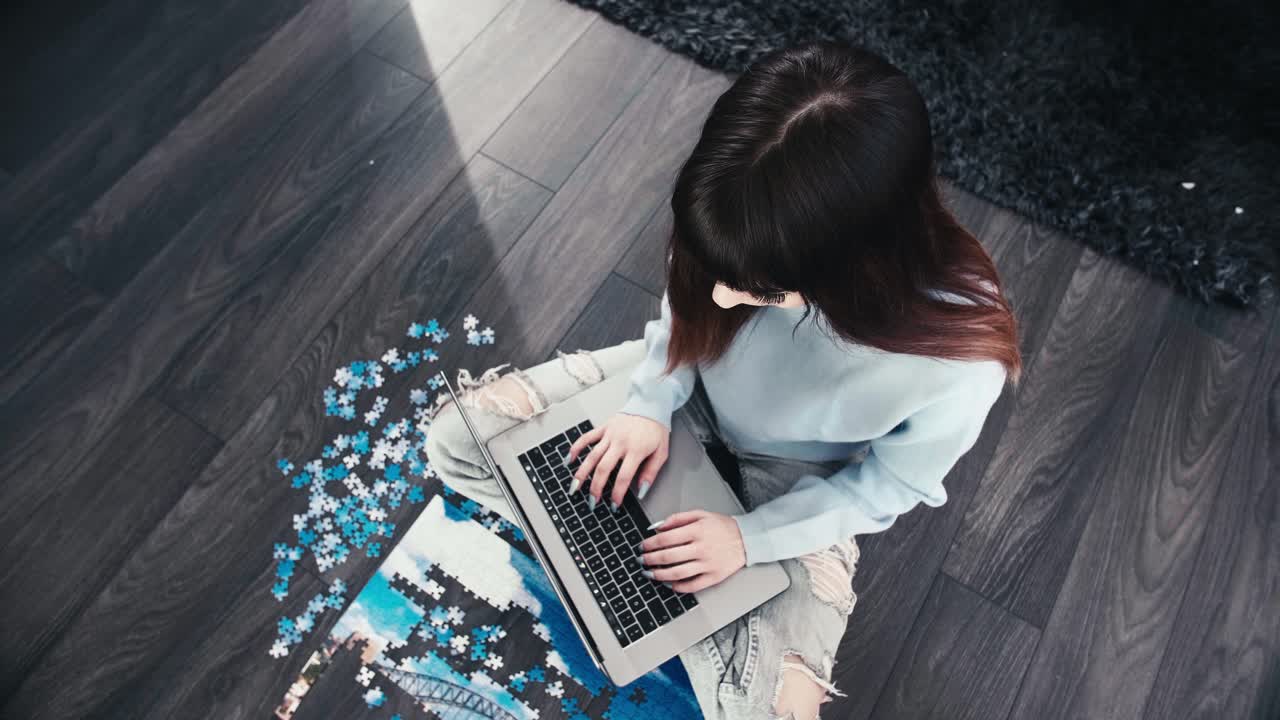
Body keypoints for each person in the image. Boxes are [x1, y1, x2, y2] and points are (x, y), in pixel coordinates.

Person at [426, 39, 1022, 720]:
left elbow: (888, 486)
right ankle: (640, 587)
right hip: (684, 392)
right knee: (456, 442)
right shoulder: (734, 213)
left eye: (763, 294)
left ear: (862, 267)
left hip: (794, 487)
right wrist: (650, 403)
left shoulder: (961, 359)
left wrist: (750, 542)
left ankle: (635, 582)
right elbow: (687, 314)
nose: (726, 302)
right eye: (720, 275)